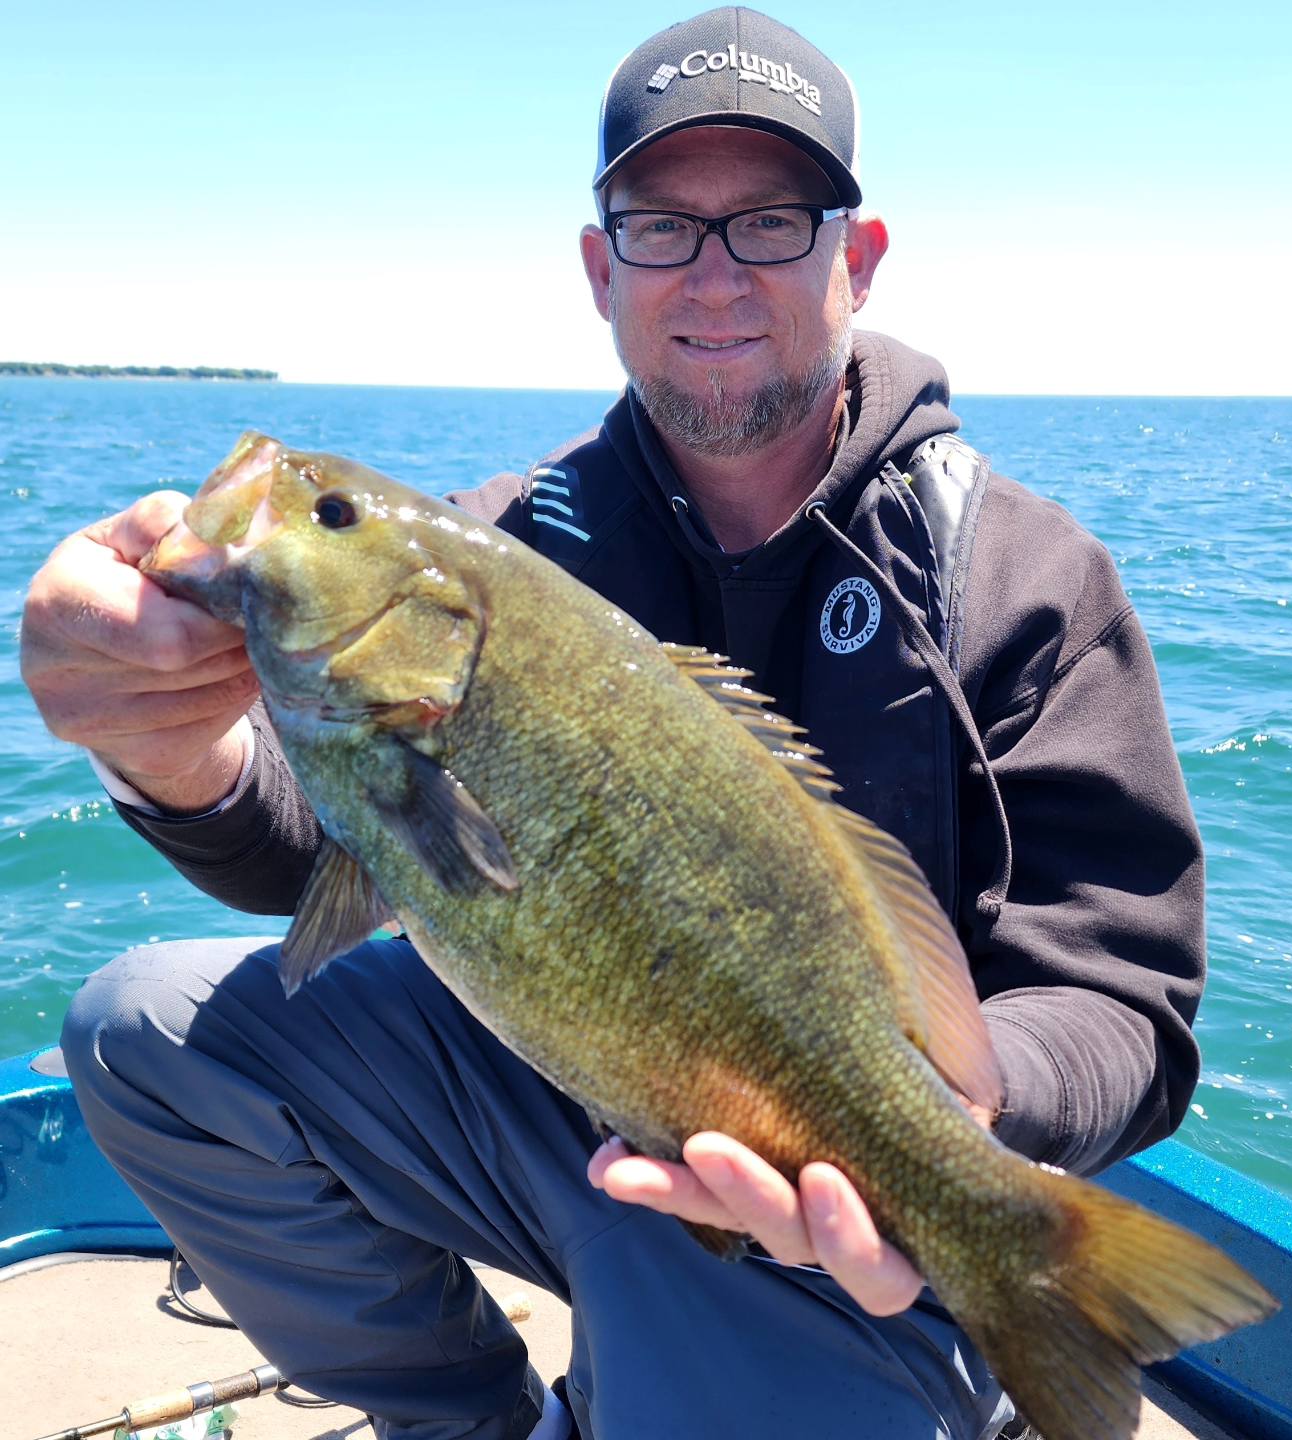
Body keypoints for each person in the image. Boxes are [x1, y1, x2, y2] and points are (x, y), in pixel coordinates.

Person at [21, 9, 1205, 1439]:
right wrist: (168, 752)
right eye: (661, 226)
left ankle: (959, 1329)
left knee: (723, 1339)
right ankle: (481, 1419)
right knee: (147, 1032)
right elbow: (329, 850)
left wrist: (945, 1131)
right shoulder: (511, 543)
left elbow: (1126, 994)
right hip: (569, 1097)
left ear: (858, 257)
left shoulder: (1027, 576)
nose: (714, 272)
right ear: (602, 269)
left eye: (770, 221)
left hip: (845, 1214)